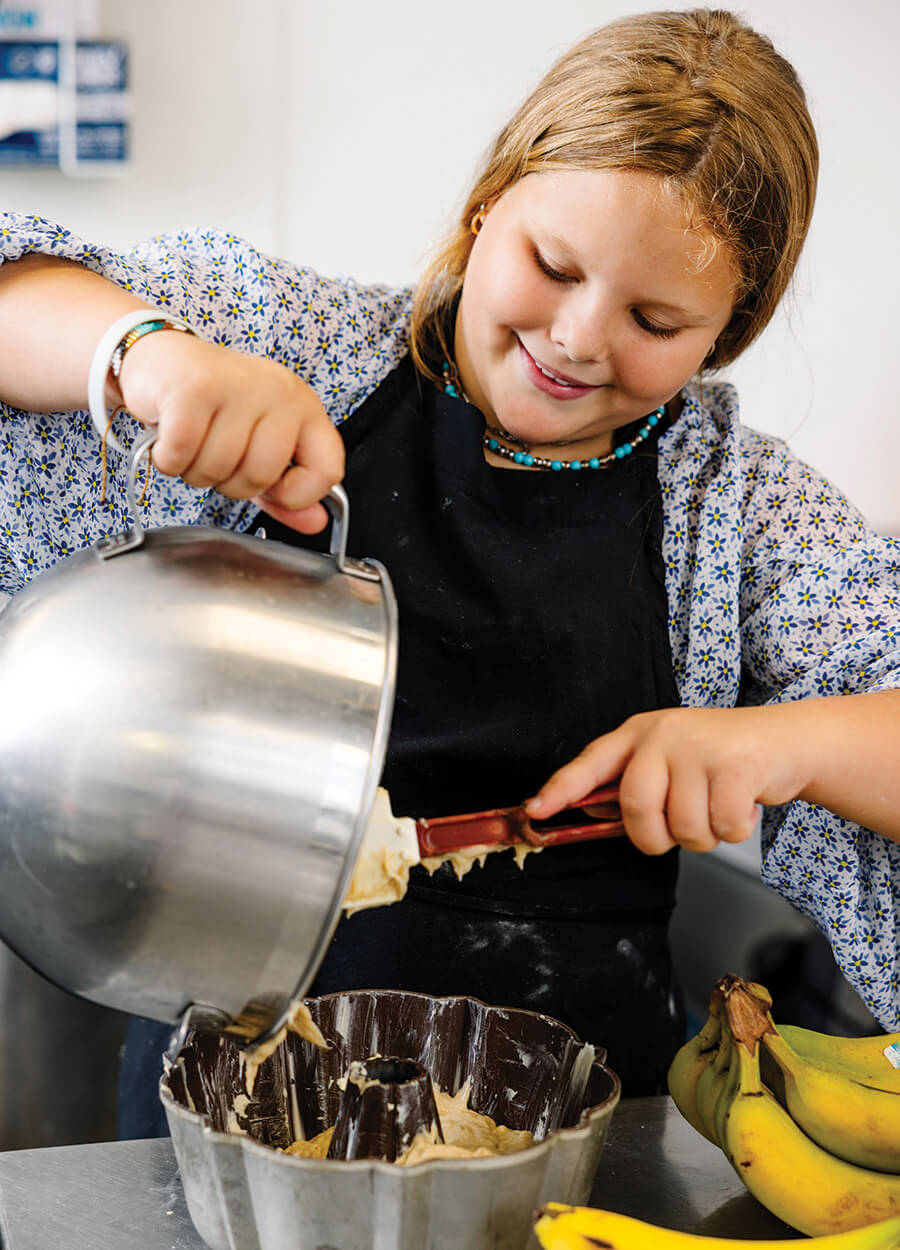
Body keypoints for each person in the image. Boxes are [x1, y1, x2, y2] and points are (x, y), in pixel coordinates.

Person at [1, 9, 898, 1138]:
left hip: (583, 1124)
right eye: (552, 264)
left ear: (726, 332)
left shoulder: (738, 511)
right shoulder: (309, 348)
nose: (578, 337)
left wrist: (788, 743)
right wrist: (140, 352)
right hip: (232, 1099)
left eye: (655, 319)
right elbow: (15, 293)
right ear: (487, 210)